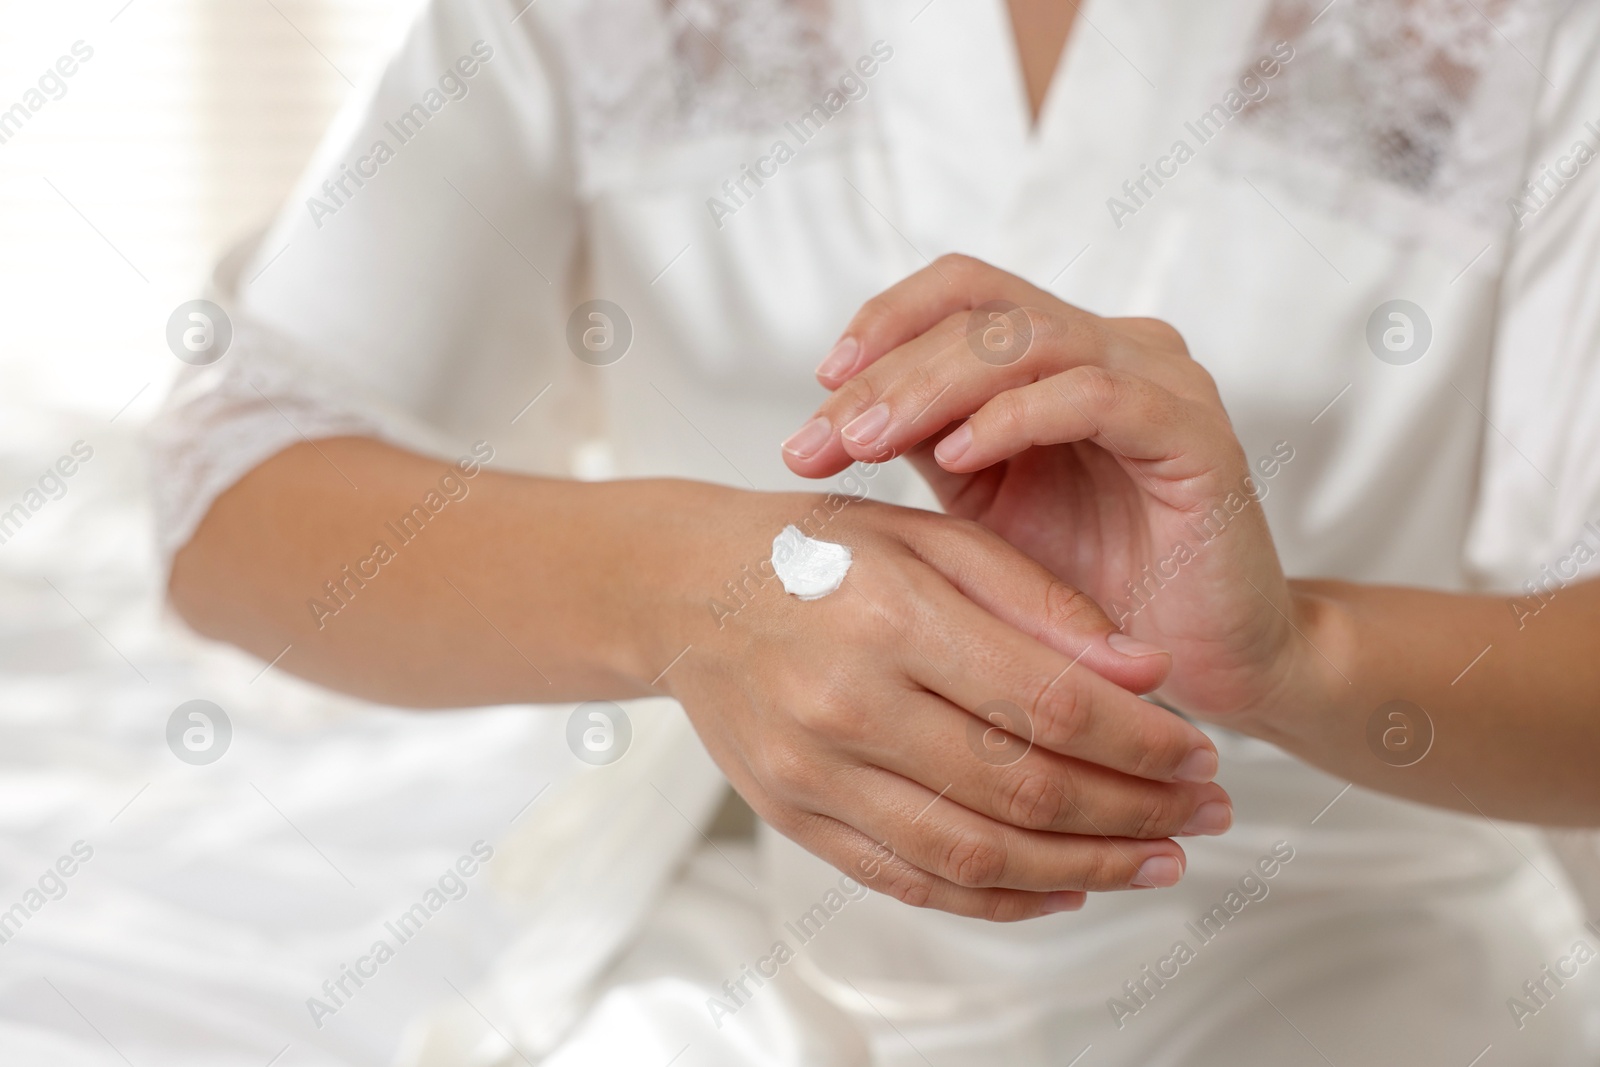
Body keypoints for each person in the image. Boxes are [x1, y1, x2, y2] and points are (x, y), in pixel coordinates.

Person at [152, 0, 1600, 1062]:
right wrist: (684, 593)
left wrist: (1298, 655)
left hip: (1355, 938)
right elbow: (231, 479)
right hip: (774, 934)